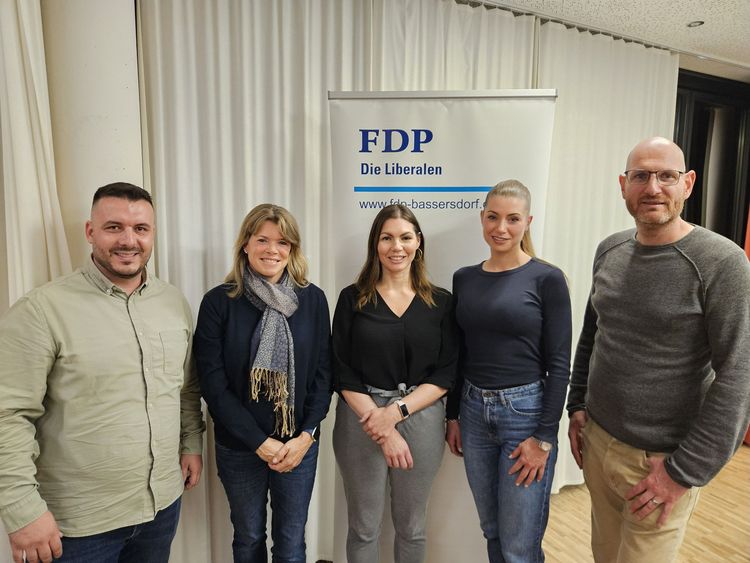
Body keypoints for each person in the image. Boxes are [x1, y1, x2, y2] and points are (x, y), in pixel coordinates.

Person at [0, 182, 205, 563]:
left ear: (153, 234)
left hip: (161, 507)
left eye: (140, 229)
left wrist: (191, 442)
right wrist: (21, 509)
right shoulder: (40, 310)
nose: (129, 240)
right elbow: (8, 415)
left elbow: (185, 387)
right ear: (90, 231)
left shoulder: (173, 301)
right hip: (79, 525)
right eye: (114, 227)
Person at [567, 137, 750, 562]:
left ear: (688, 183)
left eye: (667, 176)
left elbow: (738, 375)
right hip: (599, 442)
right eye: (641, 176)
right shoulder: (610, 250)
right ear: (623, 184)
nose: (653, 188)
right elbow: (593, 332)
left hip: (659, 464)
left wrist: (682, 473)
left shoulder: (722, 263)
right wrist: (577, 404)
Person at [193, 203, 332, 563]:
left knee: (291, 542)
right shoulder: (219, 302)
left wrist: (306, 436)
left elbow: (323, 374)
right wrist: (258, 442)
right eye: (263, 240)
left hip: (298, 445)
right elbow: (212, 384)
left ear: (292, 249)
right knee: (249, 537)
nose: (273, 250)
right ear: (246, 244)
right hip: (239, 446)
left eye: (282, 242)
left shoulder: (313, 299)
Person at [446, 180, 572, 563]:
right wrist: (453, 415)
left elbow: (559, 364)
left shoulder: (547, 279)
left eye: (513, 219)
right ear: (481, 218)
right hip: (473, 412)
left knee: (520, 545)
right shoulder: (464, 278)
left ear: (528, 222)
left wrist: (544, 438)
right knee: (493, 531)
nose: (501, 228)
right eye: (493, 217)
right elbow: (460, 352)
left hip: (525, 415)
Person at [332, 204, 458, 563]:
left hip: (421, 416)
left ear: (418, 242)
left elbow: (446, 372)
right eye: (387, 238)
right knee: (363, 528)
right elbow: (341, 368)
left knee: (412, 528)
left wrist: (395, 413)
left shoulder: (442, 302)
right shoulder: (352, 298)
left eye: (405, 237)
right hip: (361, 417)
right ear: (375, 244)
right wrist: (382, 425)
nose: (396, 246)